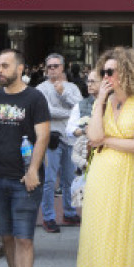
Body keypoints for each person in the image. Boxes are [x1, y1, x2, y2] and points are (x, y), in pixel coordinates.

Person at [77, 47, 134, 267]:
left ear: (127, 72)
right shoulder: (101, 103)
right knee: (100, 232)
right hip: (102, 174)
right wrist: (99, 101)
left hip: (131, 174)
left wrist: (107, 141)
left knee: (127, 234)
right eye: (104, 72)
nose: (107, 76)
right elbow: (93, 136)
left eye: (111, 71)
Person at [0, 48, 50, 267]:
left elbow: (42, 136)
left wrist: (33, 169)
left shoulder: (35, 98)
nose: (0, 70)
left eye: (5, 66)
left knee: (24, 238)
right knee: (8, 237)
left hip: (25, 180)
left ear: (20, 68)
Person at [36, 53, 83, 233]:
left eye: (56, 66)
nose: (52, 69)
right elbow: (48, 111)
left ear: (63, 67)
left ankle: (70, 212)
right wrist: (71, 112)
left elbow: (81, 107)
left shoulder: (71, 87)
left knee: (70, 179)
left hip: (71, 138)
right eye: (49, 66)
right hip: (52, 138)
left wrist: (64, 95)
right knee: (49, 180)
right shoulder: (41, 88)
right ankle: (48, 217)